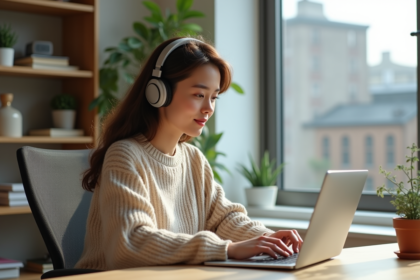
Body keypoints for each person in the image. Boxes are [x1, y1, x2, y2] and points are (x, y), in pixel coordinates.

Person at [75, 36, 303, 270]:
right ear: (158, 92)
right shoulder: (124, 156)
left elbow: (224, 219)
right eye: (198, 95)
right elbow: (131, 243)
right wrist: (226, 249)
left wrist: (270, 240)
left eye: (214, 97)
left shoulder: (194, 159)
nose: (208, 108)